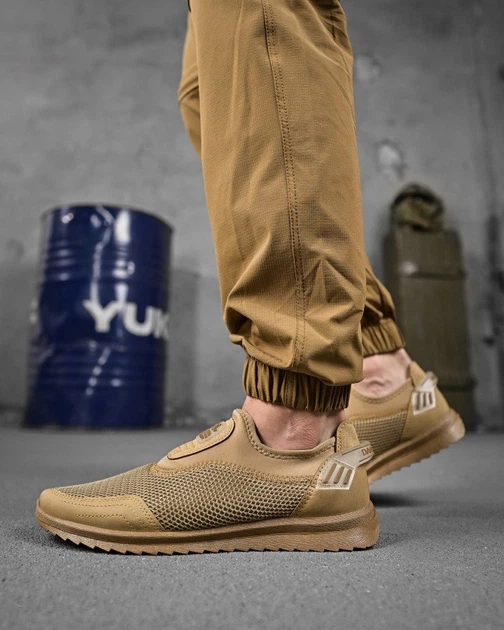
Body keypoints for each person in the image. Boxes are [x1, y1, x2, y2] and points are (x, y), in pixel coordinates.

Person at [35, 0, 465, 554]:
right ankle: (377, 368)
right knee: (213, 95)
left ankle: (293, 428)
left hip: (296, 409)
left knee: (266, 27)